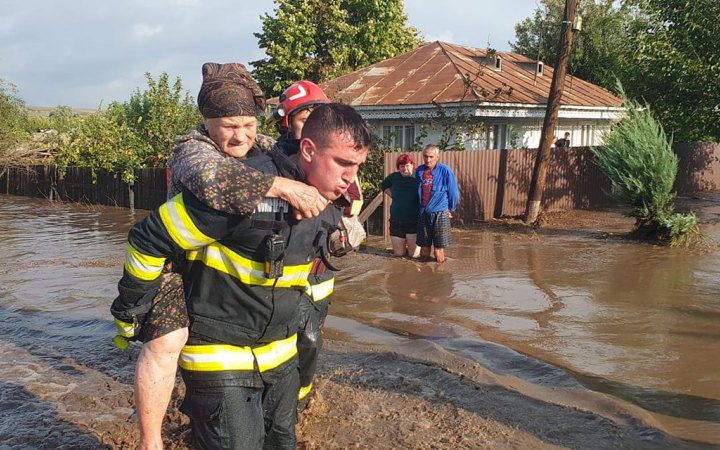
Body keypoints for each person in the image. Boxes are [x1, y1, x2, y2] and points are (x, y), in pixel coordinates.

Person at [112, 102, 371, 449]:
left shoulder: (329, 196)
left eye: (357, 167)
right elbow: (149, 238)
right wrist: (133, 309)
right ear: (308, 150)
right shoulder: (242, 192)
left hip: (279, 355)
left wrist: (344, 235)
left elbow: (314, 267)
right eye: (343, 163)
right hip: (219, 355)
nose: (351, 179)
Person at [273, 80, 362, 408]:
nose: (310, 122)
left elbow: (352, 203)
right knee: (287, 339)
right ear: (287, 122)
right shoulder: (273, 161)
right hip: (282, 269)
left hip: (319, 270)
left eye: (316, 115)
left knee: (311, 339)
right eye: (302, 117)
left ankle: (300, 395)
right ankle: (283, 399)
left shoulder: (339, 160)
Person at [416, 145, 459, 264]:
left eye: (431, 157)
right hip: (423, 213)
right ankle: (422, 275)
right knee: (424, 249)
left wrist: (451, 209)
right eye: (425, 156)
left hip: (440, 213)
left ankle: (439, 277)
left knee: (438, 250)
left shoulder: (445, 170)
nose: (428, 160)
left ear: (437, 157)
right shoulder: (419, 170)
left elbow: (454, 193)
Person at [380, 152, 420, 258]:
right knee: (399, 255)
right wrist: (394, 196)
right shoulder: (394, 177)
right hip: (396, 220)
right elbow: (383, 186)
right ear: (398, 167)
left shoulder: (418, 177)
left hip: (414, 221)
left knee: (414, 255)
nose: (405, 168)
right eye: (402, 166)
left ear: (412, 165)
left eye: (407, 165)